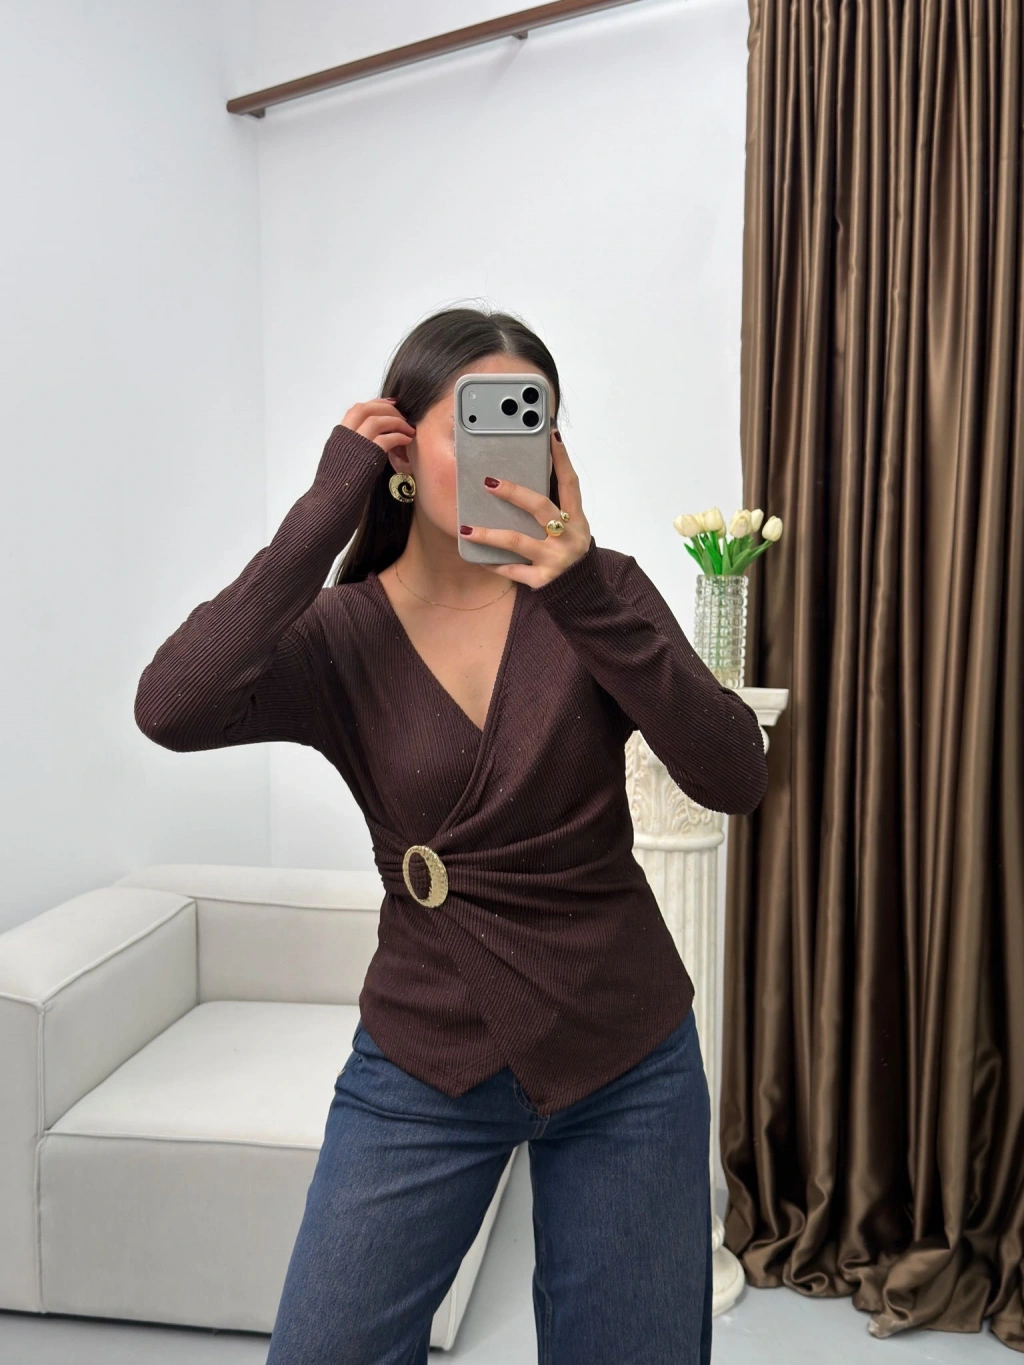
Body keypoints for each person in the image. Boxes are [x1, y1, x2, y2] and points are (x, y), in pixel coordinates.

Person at [135, 306, 768, 1364]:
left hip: (629, 1056)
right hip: (424, 1054)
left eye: (530, 420)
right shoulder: (341, 634)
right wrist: (322, 509)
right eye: (474, 419)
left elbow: (734, 774)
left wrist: (580, 593)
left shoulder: (602, 591)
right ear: (396, 450)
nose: (505, 447)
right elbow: (171, 706)